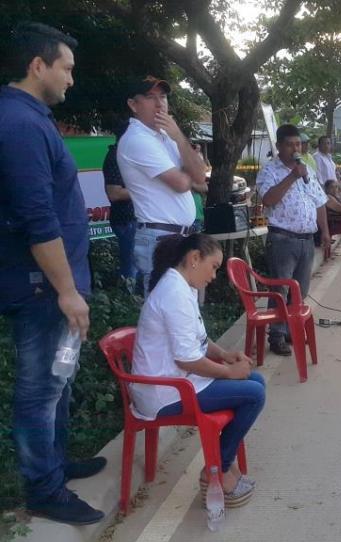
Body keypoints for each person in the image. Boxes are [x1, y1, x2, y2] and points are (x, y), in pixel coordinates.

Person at [0, 22, 104, 525]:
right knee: (40, 387)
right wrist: (66, 290)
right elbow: (36, 217)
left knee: (57, 381)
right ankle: (44, 488)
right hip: (42, 286)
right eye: (65, 68)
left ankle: (57, 464)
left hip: (56, 285)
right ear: (36, 65)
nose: (70, 79)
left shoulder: (32, 118)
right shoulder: (18, 124)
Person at [131, 234, 265, 505]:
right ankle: (218, 470)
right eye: (214, 266)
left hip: (177, 382)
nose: (214, 275)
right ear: (194, 259)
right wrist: (228, 372)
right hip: (166, 392)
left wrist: (225, 355)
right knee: (254, 393)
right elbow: (186, 360)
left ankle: (221, 463)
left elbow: (200, 341)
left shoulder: (183, 287)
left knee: (257, 381)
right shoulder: (174, 293)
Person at [117, 76, 208, 296]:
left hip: (179, 236)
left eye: (163, 97)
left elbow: (199, 175)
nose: (160, 104)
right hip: (160, 237)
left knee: (184, 312)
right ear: (133, 105)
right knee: (168, 315)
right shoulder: (137, 138)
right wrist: (187, 172)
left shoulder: (167, 136)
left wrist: (177, 135)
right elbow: (182, 183)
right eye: (150, 97)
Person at [256, 124, 331, 356]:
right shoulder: (269, 171)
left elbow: (319, 202)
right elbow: (268, 199)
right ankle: (276, 336)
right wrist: (291, 176)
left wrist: (325, 232)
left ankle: (290, 328)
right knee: (281, 290)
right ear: (279, 146)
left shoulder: (306, 169)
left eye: (298, 144)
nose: (295, 148)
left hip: (306, 240)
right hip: (282, 240)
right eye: (289, 144)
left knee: (300, 290)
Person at [103, 121, 137, 288]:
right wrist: (145, 189)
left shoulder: (127, 155)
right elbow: (114, 193)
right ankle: (129, 306)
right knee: (131, 267)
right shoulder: (116, 156)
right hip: (127, 219)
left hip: (136, 219)